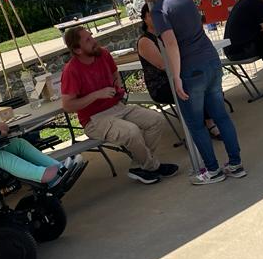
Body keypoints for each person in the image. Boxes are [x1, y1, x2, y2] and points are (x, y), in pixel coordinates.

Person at [136, 0, 244, 184]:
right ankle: (236, 164)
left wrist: (176, 77)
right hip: (211, 61)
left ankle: (212, 171)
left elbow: (171, 44)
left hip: (191, 70)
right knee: (221, 116)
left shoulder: (159, 10)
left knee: (196, 124)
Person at [60, 26, 177, 185]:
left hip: (117, 106)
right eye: (88, 40)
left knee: (156, 120)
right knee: (132, 132)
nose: (94, 41)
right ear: (77, 49)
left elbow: (115, 72)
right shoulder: (71, 70)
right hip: (94, 119)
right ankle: (152, 166)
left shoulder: (103, 54)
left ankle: (140, 166)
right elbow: (68, 105)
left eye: (91, 36)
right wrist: (96, 95)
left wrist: (117, 85)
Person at [137, 4, 221, 137]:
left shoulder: (166, 34)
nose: (155, 18)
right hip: (161, 85)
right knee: (193, 88)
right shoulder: (145, 41)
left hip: (178, 76)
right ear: (144, 19)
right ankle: (207, 124)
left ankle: (209, 120)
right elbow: (162, 65)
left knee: (204, 81)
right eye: (150, 15)